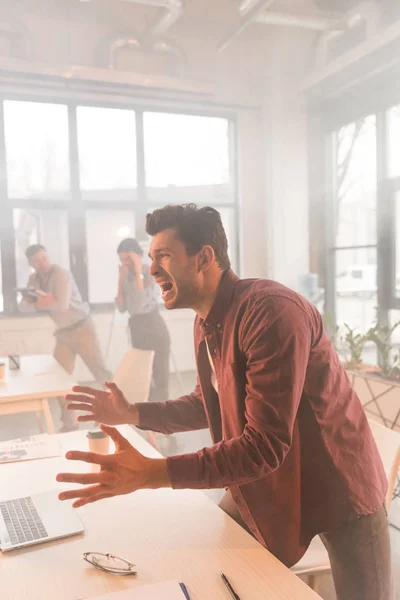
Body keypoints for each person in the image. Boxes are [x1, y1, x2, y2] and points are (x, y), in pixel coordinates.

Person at [58, 205, 392, 600]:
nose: (151, 270)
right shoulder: (208, 320)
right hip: (272, 480)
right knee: (219, 573)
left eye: (164, 256)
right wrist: (133, 414)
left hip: (340, 485)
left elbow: (263, 445)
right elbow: (207, 403)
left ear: (204, 258)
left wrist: (154, 473)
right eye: (151, 258)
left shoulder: (271, 313)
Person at [19, 244, 111, 432]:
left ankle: (108, 415)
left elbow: (61, 305)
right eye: (37, 260)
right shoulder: (33, 279)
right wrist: (45, 301)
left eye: (45, 257)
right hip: (63, 333)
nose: (43, 263)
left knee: (101, 374)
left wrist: (40, 302)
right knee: (59, 379)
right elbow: (23, 307)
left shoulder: (61, 274)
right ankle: (70, 422)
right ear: (30, 263)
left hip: (83, 328)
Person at [115, 238, 170, 402]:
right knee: (142, 377)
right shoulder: (126, 277)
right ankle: (146, 416)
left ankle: (161, 419)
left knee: (159, 377)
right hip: (137, 328)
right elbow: (122, 307)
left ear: (138, 256)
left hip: (153, 327)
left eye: (128, 259)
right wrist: (120, 281)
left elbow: (141, 305)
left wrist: (139, 271)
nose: (125, 264)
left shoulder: (152, 273)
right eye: (122, 260)